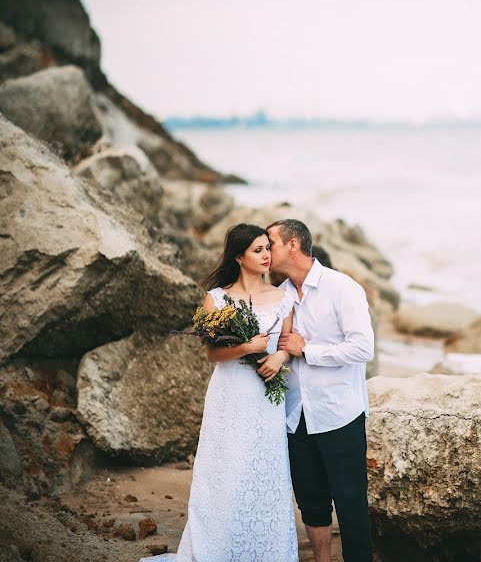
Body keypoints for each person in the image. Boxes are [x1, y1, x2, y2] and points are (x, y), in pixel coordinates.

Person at [142, 223, 299, 562]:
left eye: (267, 248)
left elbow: (287, 344)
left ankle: (264, 552)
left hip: (265, 396)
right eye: (258, 250)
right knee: (225, 469)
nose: (267, 255)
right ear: (239, 257)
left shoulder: (285, 298)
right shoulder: (217, 299)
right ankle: (217, 548)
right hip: (230, 394)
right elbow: (213, 354)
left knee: (263, 472)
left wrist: (277, 357)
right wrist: (246, 346)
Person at [267, 219, 375, 562]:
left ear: (293, 245)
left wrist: (307, 350)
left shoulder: (343, 288)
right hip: (296, 414)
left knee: (350, 499)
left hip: (338, 411)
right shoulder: (280, 294)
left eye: (270, 243)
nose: (266, 250)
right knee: (311, 499)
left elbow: (362, 349)